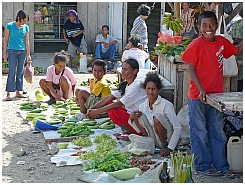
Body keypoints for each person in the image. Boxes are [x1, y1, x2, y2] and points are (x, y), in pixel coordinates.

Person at [180, 11, 242, 178]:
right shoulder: (196, 44)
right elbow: (190, 68)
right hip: (198, 96)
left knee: (217, 131)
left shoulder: (221, 42)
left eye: (212, 25)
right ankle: (202, 165)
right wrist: (200, 89)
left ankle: (221, 165)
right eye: (204, 25)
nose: (209, 28)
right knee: (199, 132)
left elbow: (235, 51)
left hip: (216, 97)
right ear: (199, 27)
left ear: (216, 26)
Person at [129, 71, 189, 157]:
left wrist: (170, 148)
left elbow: (177, 128)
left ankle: (164, 146)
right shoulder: (143, 106)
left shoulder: (166, 105)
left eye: (153, 89)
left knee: (157, 117)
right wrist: (133, 119)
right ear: (145, 89)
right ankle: (156, 146)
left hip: (167, 139)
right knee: (138, 115)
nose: (150, 92)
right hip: (153, 139)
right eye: (148, 88)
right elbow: (145, 132)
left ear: (159, 90)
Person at [86, 58, 147, 134]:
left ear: (134, 71)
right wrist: (92, 109)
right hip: (130, 114)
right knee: (109, 104)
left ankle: (133, 132)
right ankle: (129, 130)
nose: (122, 72)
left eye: (126, 70)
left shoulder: (136, 86)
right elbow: (109, 97)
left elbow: (119, 103)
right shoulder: (126, 83)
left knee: (113, 110)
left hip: (138, 118)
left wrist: (97, 111)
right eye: (122, 69)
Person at [3, 10, 32, 101]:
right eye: (24, 20)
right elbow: (6, 40)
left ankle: (18, 91)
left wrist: (28, 55)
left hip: (22, 52)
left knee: (20, 72)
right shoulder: (10, 26)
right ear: (19, 18)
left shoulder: (26, 28)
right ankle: (8, 93)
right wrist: (4, 54)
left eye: (26, 21)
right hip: (12, 51)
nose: (25, 22)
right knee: (11, 71)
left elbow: (27, 42)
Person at [229, 9, 243, 92]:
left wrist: (239, 41)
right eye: (240, 11)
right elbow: (230, 39)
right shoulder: (236, 24)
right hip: (238, 62)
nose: (240, 12)